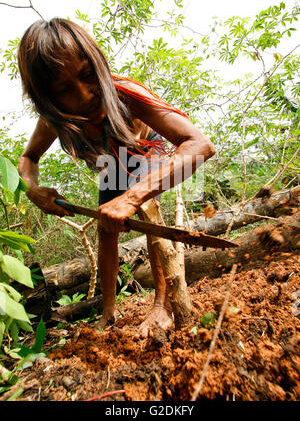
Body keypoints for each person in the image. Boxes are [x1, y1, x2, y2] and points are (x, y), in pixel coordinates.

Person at [18, 18, 216, 337]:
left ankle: (161, 308)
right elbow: (28, 158)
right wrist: (33, 190)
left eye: (86, 76)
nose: (84, 96)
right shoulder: (52, 119)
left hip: (144, 148)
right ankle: (107, 311)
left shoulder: (126, 94)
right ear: (48, 98)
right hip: (110, 162)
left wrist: (134, 196)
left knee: (149, 215)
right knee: (105, 228)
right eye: (65, 90)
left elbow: (199, 145)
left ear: (98, 64)